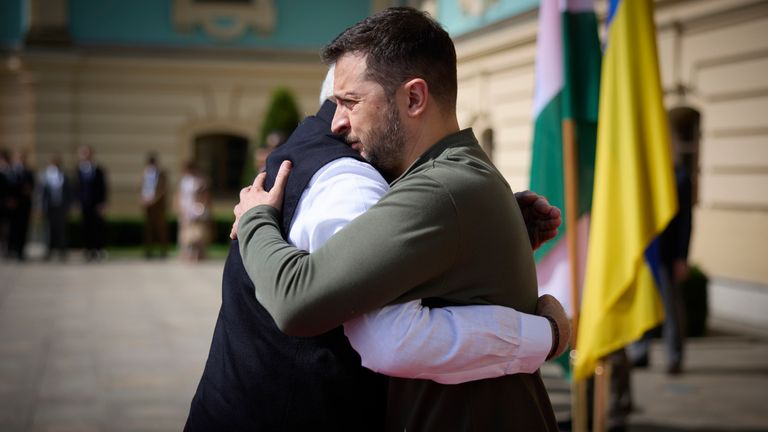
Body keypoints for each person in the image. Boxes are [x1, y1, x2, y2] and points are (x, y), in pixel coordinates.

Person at [185, 67, 568, 430]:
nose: (340, 120)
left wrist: (474, 235)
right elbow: (394, 341)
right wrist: (545, 334)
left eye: (351, 103)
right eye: (344, 101)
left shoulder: (307, 150)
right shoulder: (353, 182)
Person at [629, 142, 693, 375]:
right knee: (642, 302)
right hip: (644, 254)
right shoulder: (642, 175)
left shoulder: (679, 177)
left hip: (667, 255)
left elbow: (685, 221)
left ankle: (674, 357)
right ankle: (640, 351)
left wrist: (682, 256)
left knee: (671, 309)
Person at [76, 145, 108, 261]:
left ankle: (98, 249)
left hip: (96, 204)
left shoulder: (98, 170)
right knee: (86, 227)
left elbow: (103, 187)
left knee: (98, 227)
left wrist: (103, 203)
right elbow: (78, 188)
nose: (85, 156)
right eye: (83, 153)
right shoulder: (79, 170)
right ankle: (88, 250)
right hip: (85, 204)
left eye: (87, 153)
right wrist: (78, 202)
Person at [40, 154, 72, 261]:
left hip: (61, 206)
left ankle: (62, 252)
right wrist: (40, 206)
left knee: (61, 230)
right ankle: (48, 251)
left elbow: (68, 192)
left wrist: (68, 206)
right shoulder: (45, 175)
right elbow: (41, 193)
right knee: (48, 230)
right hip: (49, 207)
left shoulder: (64, 175)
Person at [177, 161, 210, 261]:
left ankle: (199, 253)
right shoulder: (184, 181)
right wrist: (181, 208)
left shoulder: (199, 181)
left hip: (197, 208)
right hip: (186, 209)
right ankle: (186, 253)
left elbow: (204, 195)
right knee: (186, 233)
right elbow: (180, 196)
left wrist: (202, 206)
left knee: (198, 232)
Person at [6, 149, 35, 261]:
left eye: (22, 157)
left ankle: (20, 251)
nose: (20, 160)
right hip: (13, 205)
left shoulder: (28, 172)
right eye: (18, 158)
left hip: (24, 205)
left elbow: (31, 186)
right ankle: (10, 250)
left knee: (23, 229)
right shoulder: (10, 172)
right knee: (11, 229)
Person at [140, 153, 168, 259]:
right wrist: (143, 199)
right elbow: (142, 188)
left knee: (160, 229)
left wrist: (153, 200)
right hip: (147, 206)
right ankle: (148, 251)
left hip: (158, 206)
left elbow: (163, 190)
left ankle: (163, 251)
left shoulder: (161, 174)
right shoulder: (145, 174)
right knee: (148, 230)